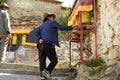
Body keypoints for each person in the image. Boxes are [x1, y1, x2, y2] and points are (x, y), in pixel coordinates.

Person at [35, 14, 75, 80]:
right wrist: (72, 27)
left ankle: (44, 75)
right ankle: (47, 71)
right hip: (48, 44)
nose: (53, 19)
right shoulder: (53, 23)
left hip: (40, 45)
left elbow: (36, 33)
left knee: (42, 60)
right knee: (54, 60)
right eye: (52, 17)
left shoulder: (41, 26)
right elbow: (62, 27)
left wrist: (39, 39)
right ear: (49, 17)